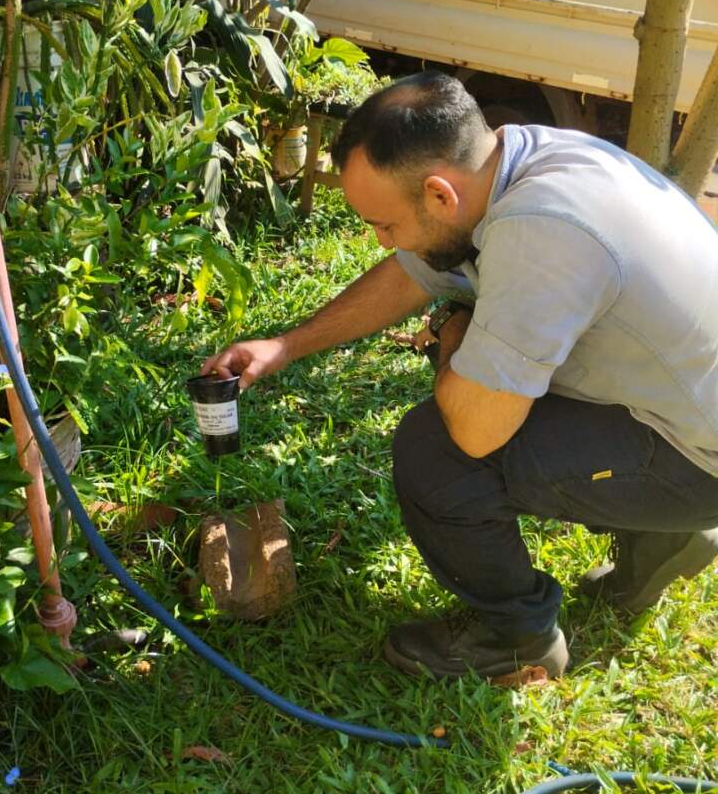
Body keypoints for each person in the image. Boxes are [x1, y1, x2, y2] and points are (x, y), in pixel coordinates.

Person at [203, 72, 718, 681]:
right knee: (511, 378)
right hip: (686, 406)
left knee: (437, 453)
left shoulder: (543, 236)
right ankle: (667, 536)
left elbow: (477, 433)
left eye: (385, 225)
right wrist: (286, 345)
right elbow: (415, 270)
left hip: (698, 456)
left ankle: (518, 636)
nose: (380, 240)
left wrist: (453, 330)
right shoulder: (514, 159)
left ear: (441, 195)